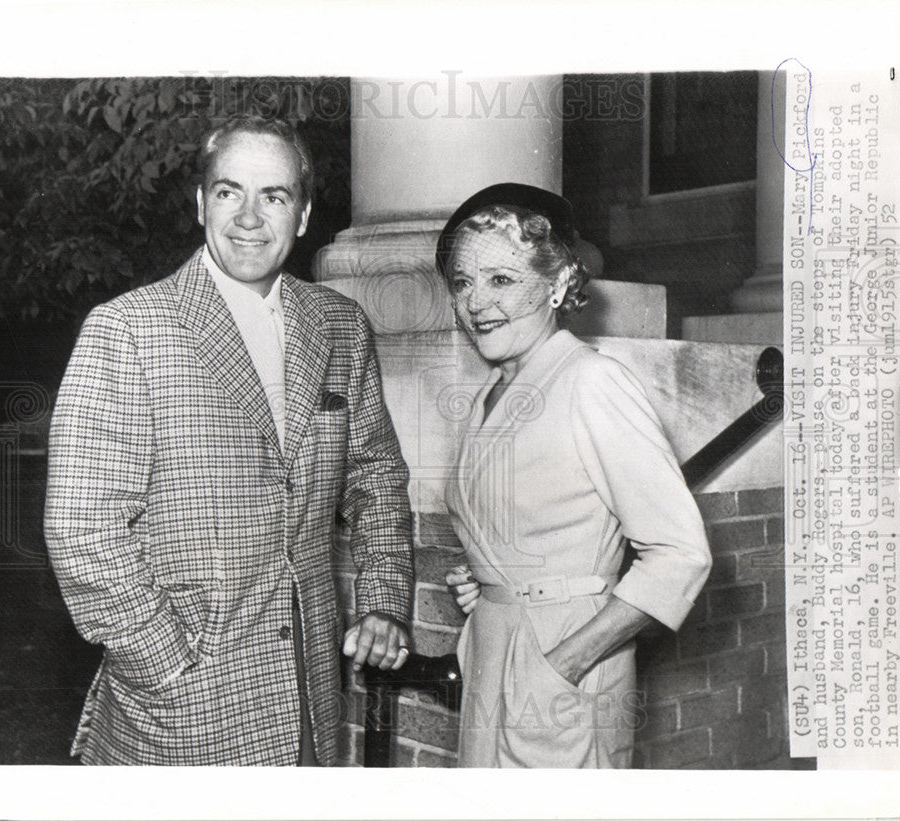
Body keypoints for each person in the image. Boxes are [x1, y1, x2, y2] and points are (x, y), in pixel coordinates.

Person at [44, 115, 414, 766]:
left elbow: (375, 476)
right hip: (178, 713)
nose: (248, 216)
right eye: (228, 191)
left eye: (273, 195)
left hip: (309, 699)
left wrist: (383, 601)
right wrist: (165, 662)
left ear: (301, 216)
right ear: (200, 203)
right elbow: (83, 530)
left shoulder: (341, 325)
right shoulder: (129, 329)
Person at [437, 183, 712, 768]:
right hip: (495, 651)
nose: (476, 302)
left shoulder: (592, 382)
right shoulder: (496, 390)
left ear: (559, 283)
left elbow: (680, 553)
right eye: (462, 282)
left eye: (501, 280)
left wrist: (562, 663)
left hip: (564, 665)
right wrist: (492, 574)